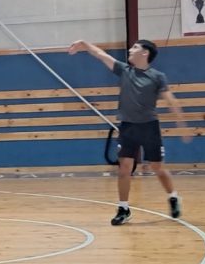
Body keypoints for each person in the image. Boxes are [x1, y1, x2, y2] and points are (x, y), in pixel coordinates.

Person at [68, 39, 192, 225]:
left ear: (145, 53)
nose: (130, 49)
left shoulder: (157, 77)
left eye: (135, 47)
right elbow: (101, 55)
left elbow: (172, 101)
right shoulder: (124, 70)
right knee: (124, 169)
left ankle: (173, 197)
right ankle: (123, 209)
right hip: (128, 127)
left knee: (157, 167)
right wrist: (84, 44)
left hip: (149, 127)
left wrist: (182, 125)